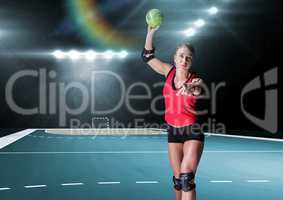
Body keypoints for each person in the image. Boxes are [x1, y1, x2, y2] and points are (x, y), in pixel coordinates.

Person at [142, 25, 205, 200]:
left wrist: (190, 87)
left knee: (186, 178)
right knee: (178, 182)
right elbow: (147, 57)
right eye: (181, 56)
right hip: (173, 132)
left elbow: (197, 88)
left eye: (188, 58)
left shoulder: (196, 79)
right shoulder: (167, 71)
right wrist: (150, 33)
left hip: (192, 131)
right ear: (175, 58)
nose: (184, 60)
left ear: (191, 62)